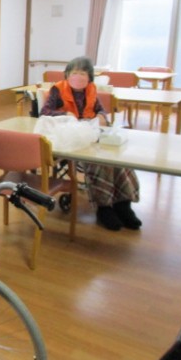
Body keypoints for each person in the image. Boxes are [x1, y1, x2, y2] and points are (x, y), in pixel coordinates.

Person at [40, 56, 142, 231]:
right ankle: (104, 208)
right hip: (69, 140)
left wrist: (102, 116)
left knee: (119, 158)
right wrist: (64, 114)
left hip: (90, 135)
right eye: (74, 73)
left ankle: (123, 205)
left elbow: (100, 110)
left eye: (83, 73)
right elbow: (45, 112)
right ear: (67, 75)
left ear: (89, 77)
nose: (78, 77)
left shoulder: (91, 91)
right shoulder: (58, 90)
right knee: (100, 162)